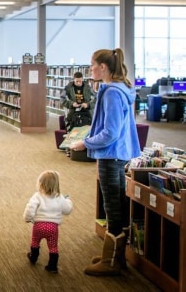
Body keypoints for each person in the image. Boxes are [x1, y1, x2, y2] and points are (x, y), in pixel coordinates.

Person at [70, 48, 141, 276]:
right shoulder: (120, 89)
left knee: (112, 206)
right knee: (117, 203)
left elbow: (110, 132)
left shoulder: (111, 93)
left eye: (92, 65)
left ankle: (112, 262)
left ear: (103, 67)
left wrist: (85, 143)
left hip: (111, 154)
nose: (90, 69)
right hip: (120, 153)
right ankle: (114, 256)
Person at [23, 170, 73, 273]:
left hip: (38, 226)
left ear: (40, 183)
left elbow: (30, 208)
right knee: (53, 246)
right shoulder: (59, 197)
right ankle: (52, 266)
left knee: (35, 242)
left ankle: (33, 257)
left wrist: (27, 218)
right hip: (53, 228)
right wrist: (68, 201)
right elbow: (67, 210)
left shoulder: (37, 196)